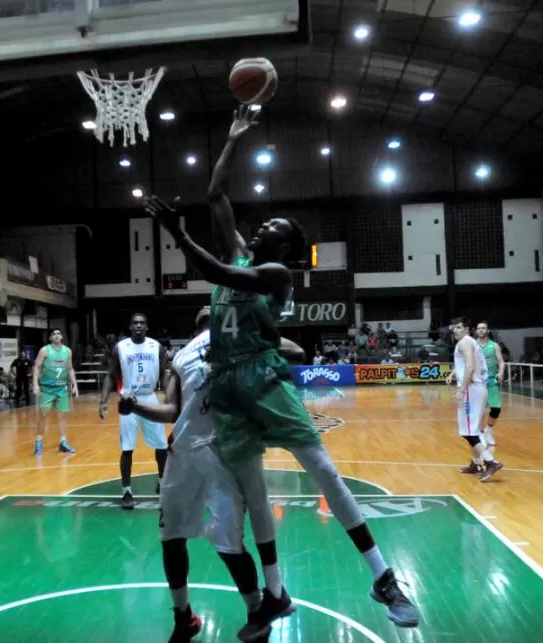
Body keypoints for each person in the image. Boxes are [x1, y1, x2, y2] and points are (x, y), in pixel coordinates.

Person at [142, 106, 418, 629]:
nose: (262, 222)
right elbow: (217, 195)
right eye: (264, 221)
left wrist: (178, 235)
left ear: (288, 245)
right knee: (253, 490)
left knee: (324, 472)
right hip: (226, 389)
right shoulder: (246, 254)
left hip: (263, 379)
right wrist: (233, 136)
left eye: (274, 225)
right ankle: (273, 594)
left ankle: (383, 577)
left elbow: (216, 268)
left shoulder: (274, 274)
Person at [120, 307, 306, 641]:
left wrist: (253, 339)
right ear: (198, 323)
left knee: (228, 541)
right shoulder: (180, 357)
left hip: (221, 450)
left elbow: (296, 353)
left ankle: (257, 613)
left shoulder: (237, 338)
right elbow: (171, 411)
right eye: (206, 309)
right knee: (170, 538)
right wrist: (134, 406)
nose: (209, 308)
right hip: (182, 452)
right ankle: (183, 618)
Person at [99, 313, 169, 509]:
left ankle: (163, 483)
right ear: (130, 327)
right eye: (135, 323)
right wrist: (103, 401)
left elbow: (164, 374)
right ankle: (126, 491)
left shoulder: (157, 347)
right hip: (128, 399)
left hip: (150, 398)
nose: (138, 326)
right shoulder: (120, 348)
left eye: (142, 323)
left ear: (147, 327)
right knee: (127, 448)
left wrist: (170, 397)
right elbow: (111, 375)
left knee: (162, 446)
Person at [446, 317, 502, 481]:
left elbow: (469, 366)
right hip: (478, 388)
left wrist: (462, 390)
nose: (455, 330)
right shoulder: (471, 342)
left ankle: (491, 462)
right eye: (454, 328)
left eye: (458, 327)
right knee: (473, 430)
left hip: (472, 389)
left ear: (467, 328)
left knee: (467, 431)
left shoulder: (464, 342)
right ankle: (476, 463)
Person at [32, 329, 78, 455]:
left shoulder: (67, 351)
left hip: (62, 388)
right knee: (43, 417)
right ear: (50, 338)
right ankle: (39, 442)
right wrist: (35, 384)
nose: (56, 335)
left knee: (62, 417)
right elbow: (36, 366)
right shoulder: (45, 350)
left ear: (62, 337)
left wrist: (75, 384)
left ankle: (63, 442)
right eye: (53, 334)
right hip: (47, 388)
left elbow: (70, 369)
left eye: (58, 334)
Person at [468, 321, 505, 470]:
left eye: (483, 328)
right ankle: (480, 434)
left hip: (490, 381)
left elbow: (501, 362)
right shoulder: (473, 345)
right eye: (479, 328)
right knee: (478, 411)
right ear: (476, 331)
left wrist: (501, 371)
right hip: (477, 382)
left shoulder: (493, 346)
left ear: (487, 330)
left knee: (496, 407)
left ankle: (489, 430)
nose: (481, 330)